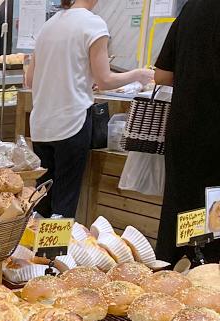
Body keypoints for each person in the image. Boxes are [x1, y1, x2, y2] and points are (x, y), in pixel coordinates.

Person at [26, 0, 153, 217]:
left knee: (43, 198)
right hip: (71, 124)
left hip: (41, 126)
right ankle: (59, 240)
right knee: (64, 202)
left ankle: (36, 239)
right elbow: (105, 80)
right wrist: (138, 74)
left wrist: (80, 79)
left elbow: (30, 80)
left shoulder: (48, 25)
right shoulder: (93, 24)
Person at [153, 0, 220, 264]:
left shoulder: (193, 7)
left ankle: (171, 270)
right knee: (214, 212)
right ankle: (207, 274)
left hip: (185, 127)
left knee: (182, 205)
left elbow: (162, 75)